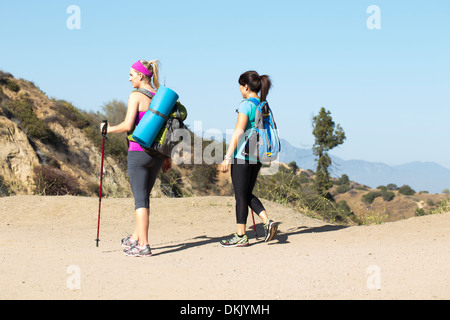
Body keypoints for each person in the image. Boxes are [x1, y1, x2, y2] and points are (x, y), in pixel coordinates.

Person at [100, 59, 171, 257]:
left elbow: (128, 126)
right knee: (144, 198)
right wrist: (167, 157)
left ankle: (144, 245)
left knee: (140, 201)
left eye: (131, 74)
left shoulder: (136, 95)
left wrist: (107, 129)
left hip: (138, 152)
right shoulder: (160, 97)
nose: (129, 78)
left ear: (140, 75)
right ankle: (134, 238)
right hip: (157, 155)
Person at [219, 70, 278, 247]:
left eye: (240, 85)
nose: (239, 89)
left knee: (240, 196)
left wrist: (227, 157)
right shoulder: (263, 104)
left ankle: (241, 236)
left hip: (242, 155)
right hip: (257, 156)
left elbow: (239, 131)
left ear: (246, 86)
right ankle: (267, 222)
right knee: (246, 193)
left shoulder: (246, 105)